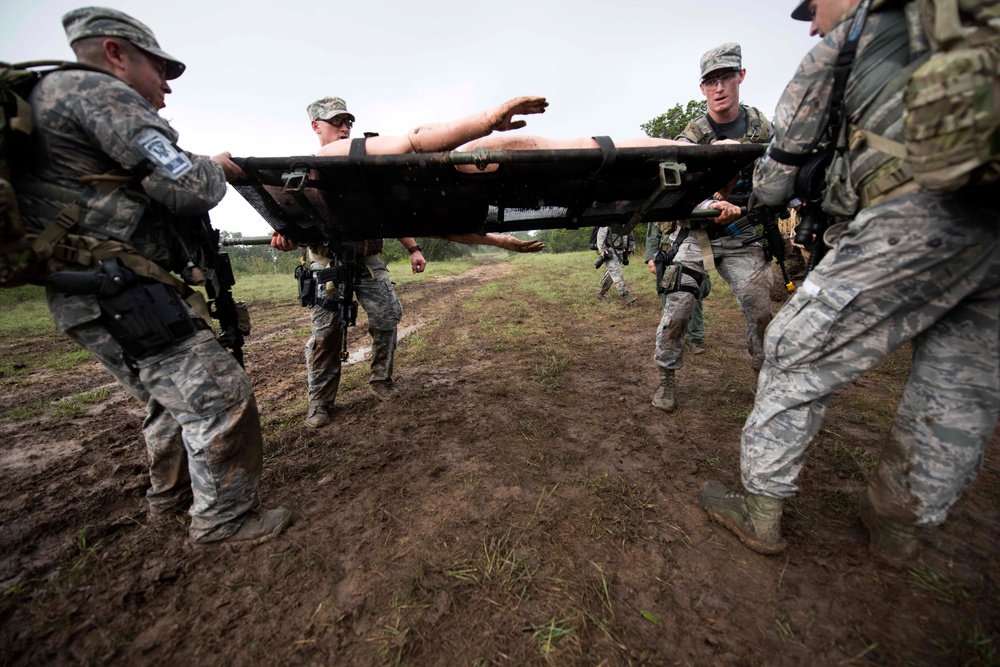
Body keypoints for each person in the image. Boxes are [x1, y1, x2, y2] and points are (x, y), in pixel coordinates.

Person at [700, 0, 1000, 567]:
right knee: (959, 385)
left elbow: (773, 181)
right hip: (992, 237)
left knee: (789, 346)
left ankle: (760, 509)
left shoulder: (841, 47)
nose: (812, 22)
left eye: (814, 8)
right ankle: (898, 528)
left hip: (912, 225)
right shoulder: (962, 30)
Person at [18, 7, 289, 545]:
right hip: (121, 290)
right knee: (218, 396)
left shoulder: (45, 101)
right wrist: (219, 165)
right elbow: (188, 186)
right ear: (116, 52)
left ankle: (169, 498)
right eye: (159, 68)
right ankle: (223, 520)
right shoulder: (97, 92)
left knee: (170, 399)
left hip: (88, 290)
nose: (165, 85)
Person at [273, 97, 547, 429]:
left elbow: (397, 216)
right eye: (337, 122)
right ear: (316, 126)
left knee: (388, 316)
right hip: (326, 265)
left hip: (368, 259)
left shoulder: (366, 165)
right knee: (326, 335)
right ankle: (320, 403)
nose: (345, 127)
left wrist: (414, 248)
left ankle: (380, 380)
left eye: (348, 122)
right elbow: (284, 228)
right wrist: (284, 239)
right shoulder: (302, 173)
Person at [646, 42, 775, 413]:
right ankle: (666, 377)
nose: (719, 88)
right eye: (711, 81)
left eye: (726, 79)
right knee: (679, 306)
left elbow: (780, 176)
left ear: (741, 78)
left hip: (744, 235)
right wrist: (710, 205)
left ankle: (761, 379)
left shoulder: (762, 129)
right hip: (696, 235)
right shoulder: (692, 135)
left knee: (760, 309)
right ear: (702, 88)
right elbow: (677, 187)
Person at [645, 223, 710, 354]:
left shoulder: (702, 206)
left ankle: (695, 339)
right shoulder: (663, 206)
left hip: (695, 252)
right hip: (669, 255)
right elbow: (653, 234)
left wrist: (708, 259)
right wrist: (651, 258)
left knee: (695, 298)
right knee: (668, 297)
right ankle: (668, 338)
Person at [595, 226, 637, 304]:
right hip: (610, 251)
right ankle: (625, 295)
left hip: (621, 251)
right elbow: (601, 235)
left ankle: (600, 294)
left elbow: (630, 233)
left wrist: (631, 247)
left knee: (611, 274)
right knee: (616, 272)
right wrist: (602, 249)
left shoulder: (625, 222)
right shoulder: (607, 222)